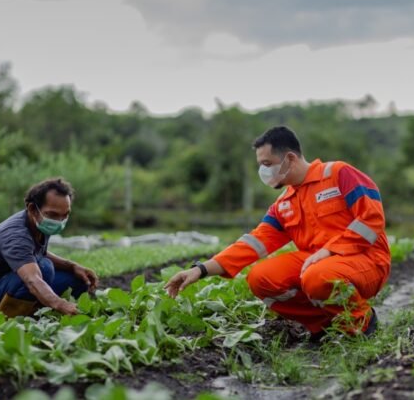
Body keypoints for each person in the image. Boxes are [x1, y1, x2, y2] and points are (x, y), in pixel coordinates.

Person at [165, 126, 391, 337]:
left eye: (268, 163)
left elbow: (372, 219)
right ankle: (325, 325)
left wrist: (330, 251)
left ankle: (361, 322)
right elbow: (253, 243)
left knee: (317, 275)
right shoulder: (284, 203)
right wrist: (201, 270)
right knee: (260, 278)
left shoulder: (339, 174)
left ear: (290, 158)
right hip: (318, 265)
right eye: (261, 165)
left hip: (367, 261)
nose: (263, 171)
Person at [0, 178, 98, 318]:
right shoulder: (16, 235)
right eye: (53, 214)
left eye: (65, 215)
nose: (59, 221)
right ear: (33, 209)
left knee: (79, 280)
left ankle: (40, 309)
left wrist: (72, 266)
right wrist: (60, 304)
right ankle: (11, 318)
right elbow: (31, 279)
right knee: (44, 268)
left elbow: (37, 253)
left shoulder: (39, 223)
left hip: (11, 282)